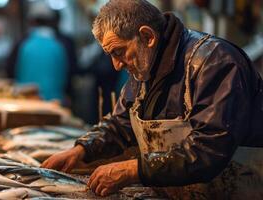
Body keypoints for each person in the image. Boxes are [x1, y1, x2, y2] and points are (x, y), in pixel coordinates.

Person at [42, 0, 263, 198]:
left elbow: (209, 149)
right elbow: (121, 123)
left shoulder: (216, 62)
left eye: (119, 52)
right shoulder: (145, 65)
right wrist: (82, 149)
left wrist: (133, 170)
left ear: (147, 36)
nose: (116, 65)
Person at [6, 3, 69, 101]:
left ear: (31, 21)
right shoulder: (59, 46)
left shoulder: (24, 44)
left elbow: (10, 71)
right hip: (53, 103)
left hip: (26, 101)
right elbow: (66, 78)